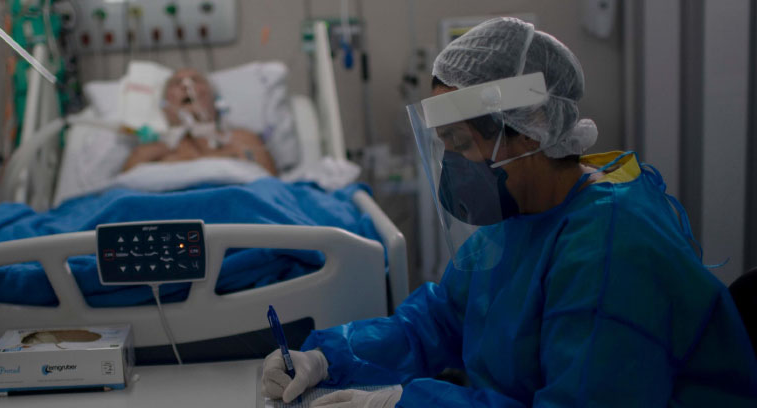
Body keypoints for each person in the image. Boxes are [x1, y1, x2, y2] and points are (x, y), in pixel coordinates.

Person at [260, 17, 757, 407]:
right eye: (444, 145)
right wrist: (329, 358)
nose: (451, 164)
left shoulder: (611, 249)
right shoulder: (523, 218)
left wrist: (408, 402)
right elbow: (436, 321)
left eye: (461, 143)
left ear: (532, 125)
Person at [121, 68, 277, 175]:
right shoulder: (149, 149)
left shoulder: (242, 140)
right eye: (176, 83)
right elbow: (124, 192)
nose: (186, 86)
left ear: (215, 99)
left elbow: (270, 188)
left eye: (196, 80)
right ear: (165, 106)